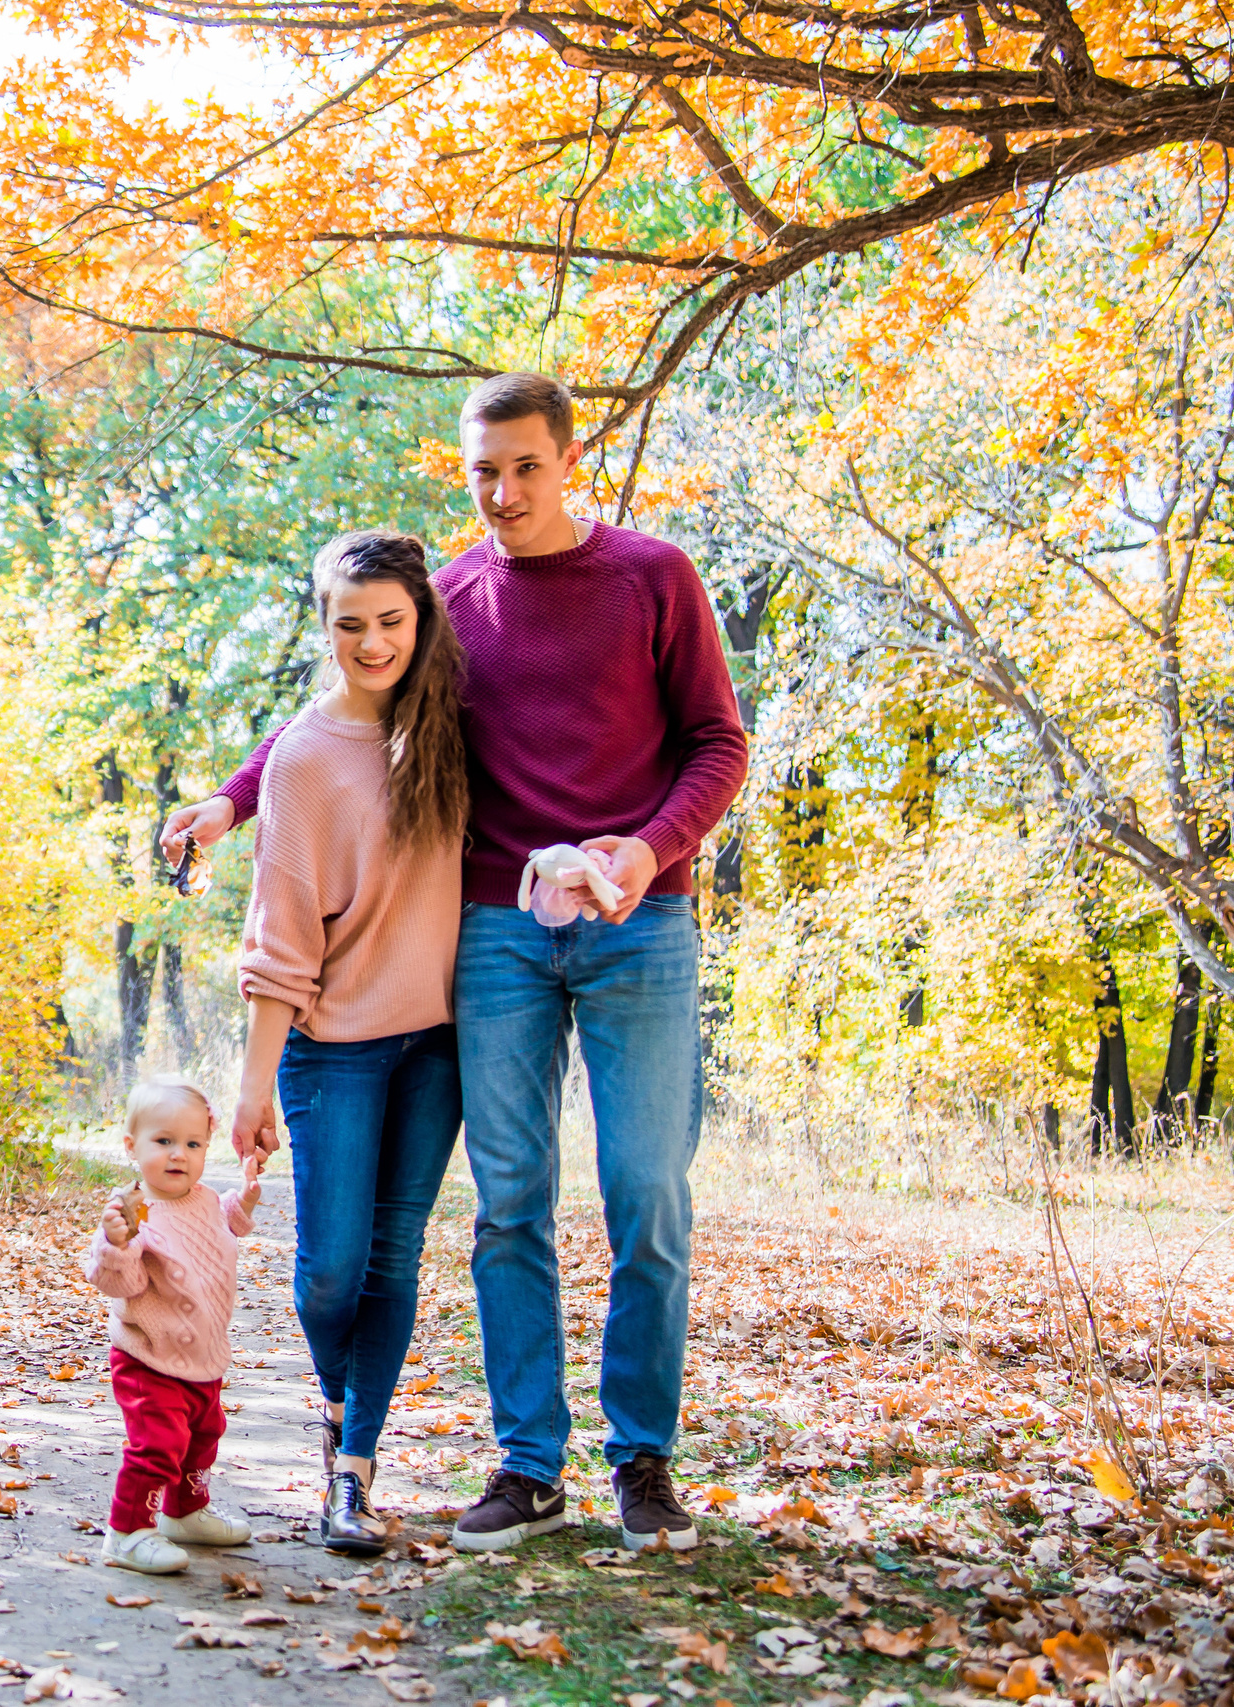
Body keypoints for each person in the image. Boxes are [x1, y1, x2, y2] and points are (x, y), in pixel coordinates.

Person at [167, 373, 748, 1555]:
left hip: (640, 923)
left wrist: (641, 854)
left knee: (647, 1197)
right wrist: (230, 807)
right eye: (483, 472)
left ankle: (643, 1462)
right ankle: (529, 1464)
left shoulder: (652, 577)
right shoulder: (450, 601)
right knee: (508, 1206)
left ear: (569, 459)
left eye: (526, 467)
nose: (503, 493)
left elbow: (718, 746)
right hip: (495, 931)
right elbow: (337, 709)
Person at [227, 529, 467, 1555]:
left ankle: (354, 1472)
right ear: (321, 625)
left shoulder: (457, 727)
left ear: (421, 620)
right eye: (349, 624)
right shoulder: (301, 759)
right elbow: (279, 942)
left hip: (440, 1047)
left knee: (394, 1259)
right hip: (330, 1047)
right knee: (331, 1269)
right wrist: (251, 1086)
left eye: (391, 622)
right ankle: (334, 1417)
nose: (372, 642)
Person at [86, 1076, 264, 1574]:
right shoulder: (134, 1212)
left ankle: (185, 1512)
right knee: (158, 1445)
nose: (178, 1155)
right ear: (132, 1146)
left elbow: (221, 1223)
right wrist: (117, 1244)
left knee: (204, 1435)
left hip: (202, 1354)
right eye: (163, 1142)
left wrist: (244, 1200)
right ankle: (126, 1532)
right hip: (149, 1356)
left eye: (192, 1144)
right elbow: (115, 1281)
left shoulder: (204, 1198)